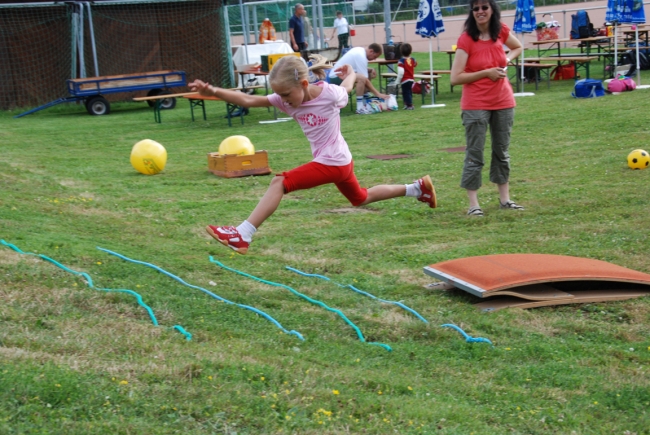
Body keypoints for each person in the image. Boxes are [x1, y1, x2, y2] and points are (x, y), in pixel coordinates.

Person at [188, 56, 437, 255]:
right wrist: (213, 90)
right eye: (280, 96)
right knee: (360, 198)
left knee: (279, 182)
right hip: (341, 160)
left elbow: (348, 87)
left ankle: (243, 234)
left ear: (304, 85)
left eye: (286, 95)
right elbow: (246, 99)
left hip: (333, 161)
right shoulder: (286, 99)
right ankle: (417, 188)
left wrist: (350, 73)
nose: (282, 101)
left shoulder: (330, 94)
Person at [450, 0, 524, 217]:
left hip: (503, 101)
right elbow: (455, 78)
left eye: (484, 7)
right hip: (475, 104)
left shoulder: (500, 31)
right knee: (475, 154)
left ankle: (505, 200)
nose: (480, 12)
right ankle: (474, 205)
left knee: (502, 152)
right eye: (476, 8)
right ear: (472, 12)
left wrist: (507, 59)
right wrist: (486, 73)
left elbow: (518, 46)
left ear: (492, 10)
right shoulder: (467, 39)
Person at [327, 43, 389, 114]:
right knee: (361, 78)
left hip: (341, 74)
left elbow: (358, 69)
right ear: (371, 51)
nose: (374, 59)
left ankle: (365, 99)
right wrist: (378, 94)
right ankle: (360, 108)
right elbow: (364, 79)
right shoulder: (361, 56)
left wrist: (371, 70)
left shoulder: (360, 50)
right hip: (336, 77)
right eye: (375, 56)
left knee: (366, 74)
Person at [396, 43, 417, 110]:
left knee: (406, 92)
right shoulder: (412, 60)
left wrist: (397, 81)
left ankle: (410, 104)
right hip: (411, 79)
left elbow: (401, 72)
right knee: (409, 91)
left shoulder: (401, 61)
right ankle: (406, 104)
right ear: (410, 51)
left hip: (405, 79)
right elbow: (415, 64)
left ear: (401, 52)